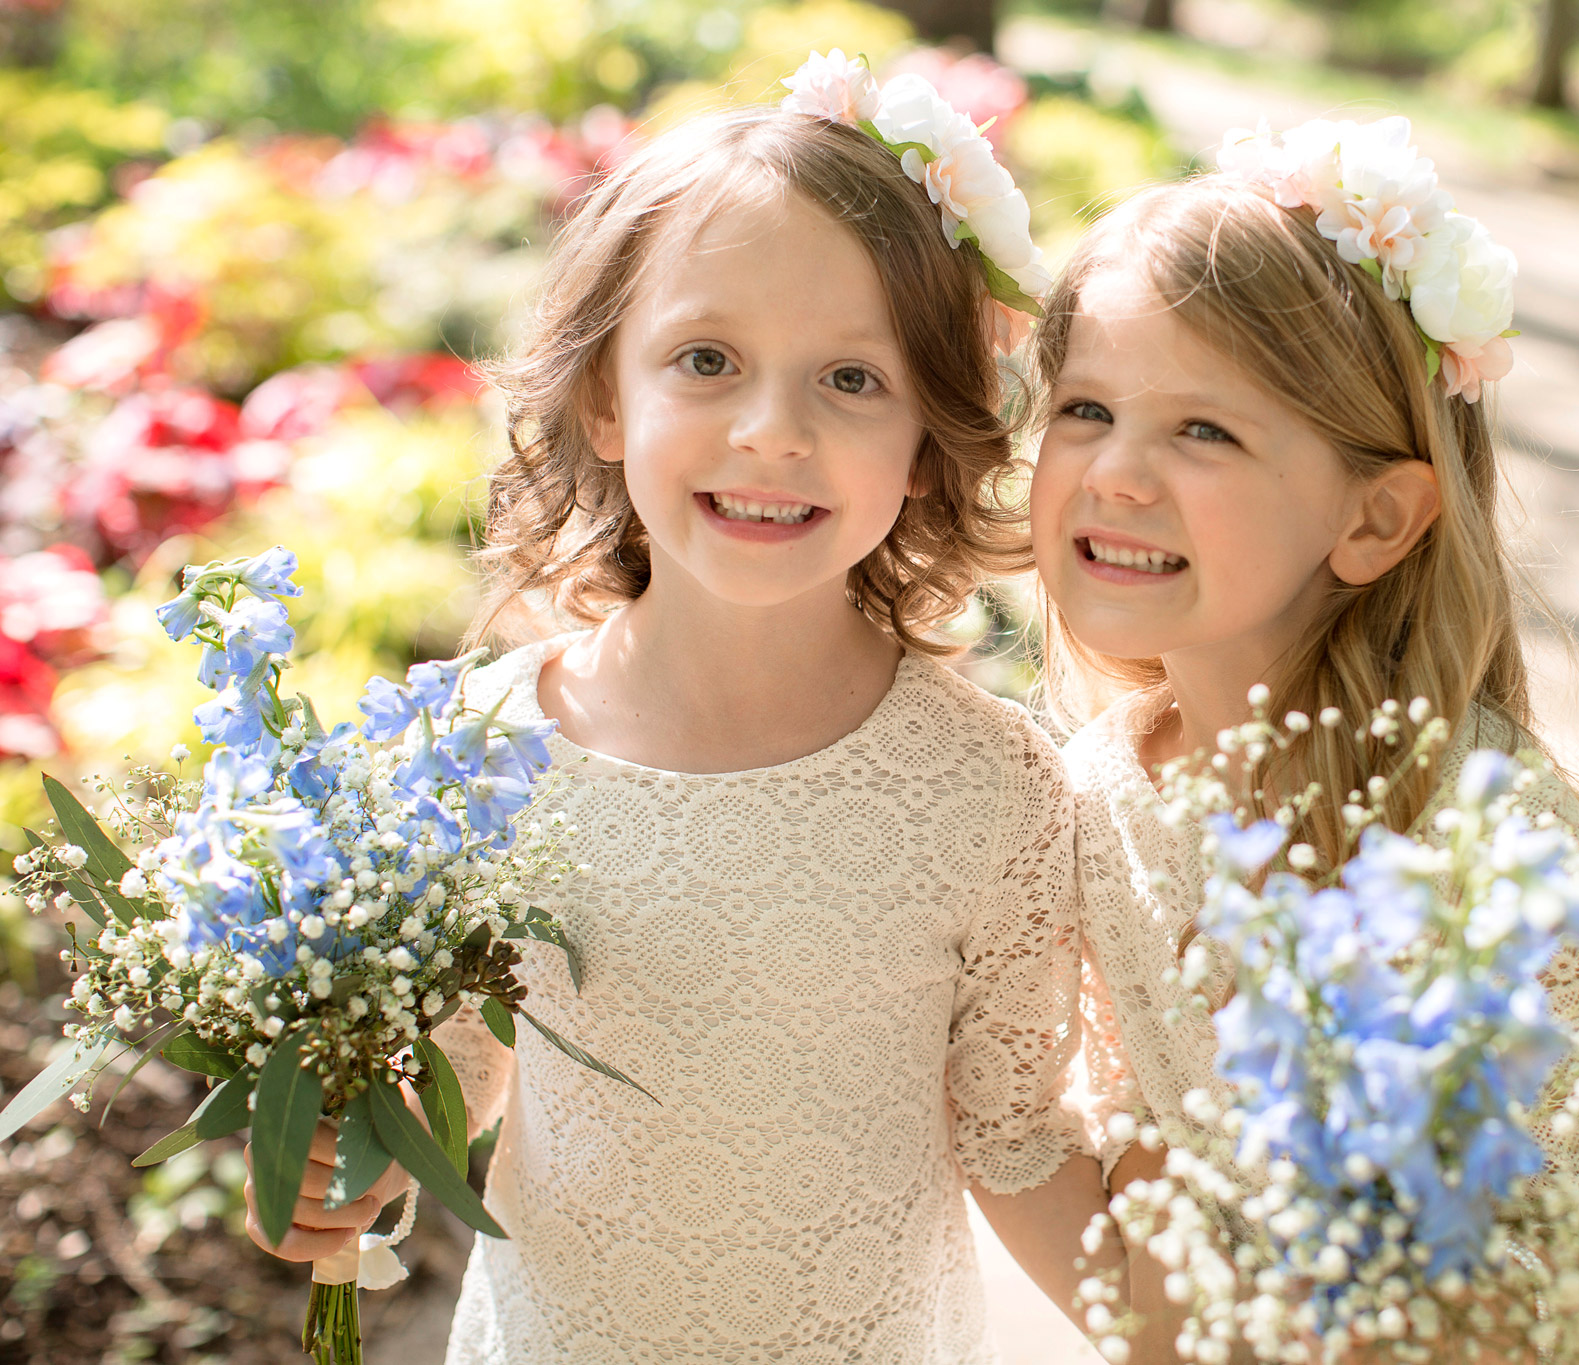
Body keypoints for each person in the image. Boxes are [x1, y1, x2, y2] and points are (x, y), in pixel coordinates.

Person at [245, 57, 1118, 1363]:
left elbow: (1015, 1138)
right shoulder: (481, 756)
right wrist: (327, 1172)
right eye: (707, 359)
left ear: (930, 436)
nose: (773, 431)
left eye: (851, 379)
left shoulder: (988, 792)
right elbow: (441, 1081)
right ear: (605, 396)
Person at [1027, 120, 1579, 1363]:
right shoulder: (1091, 789)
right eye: (1084, 408)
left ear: (1375, 517)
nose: (1115, 473)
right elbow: (1120, 1148)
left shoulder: (1469, 819)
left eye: (1203, 431)